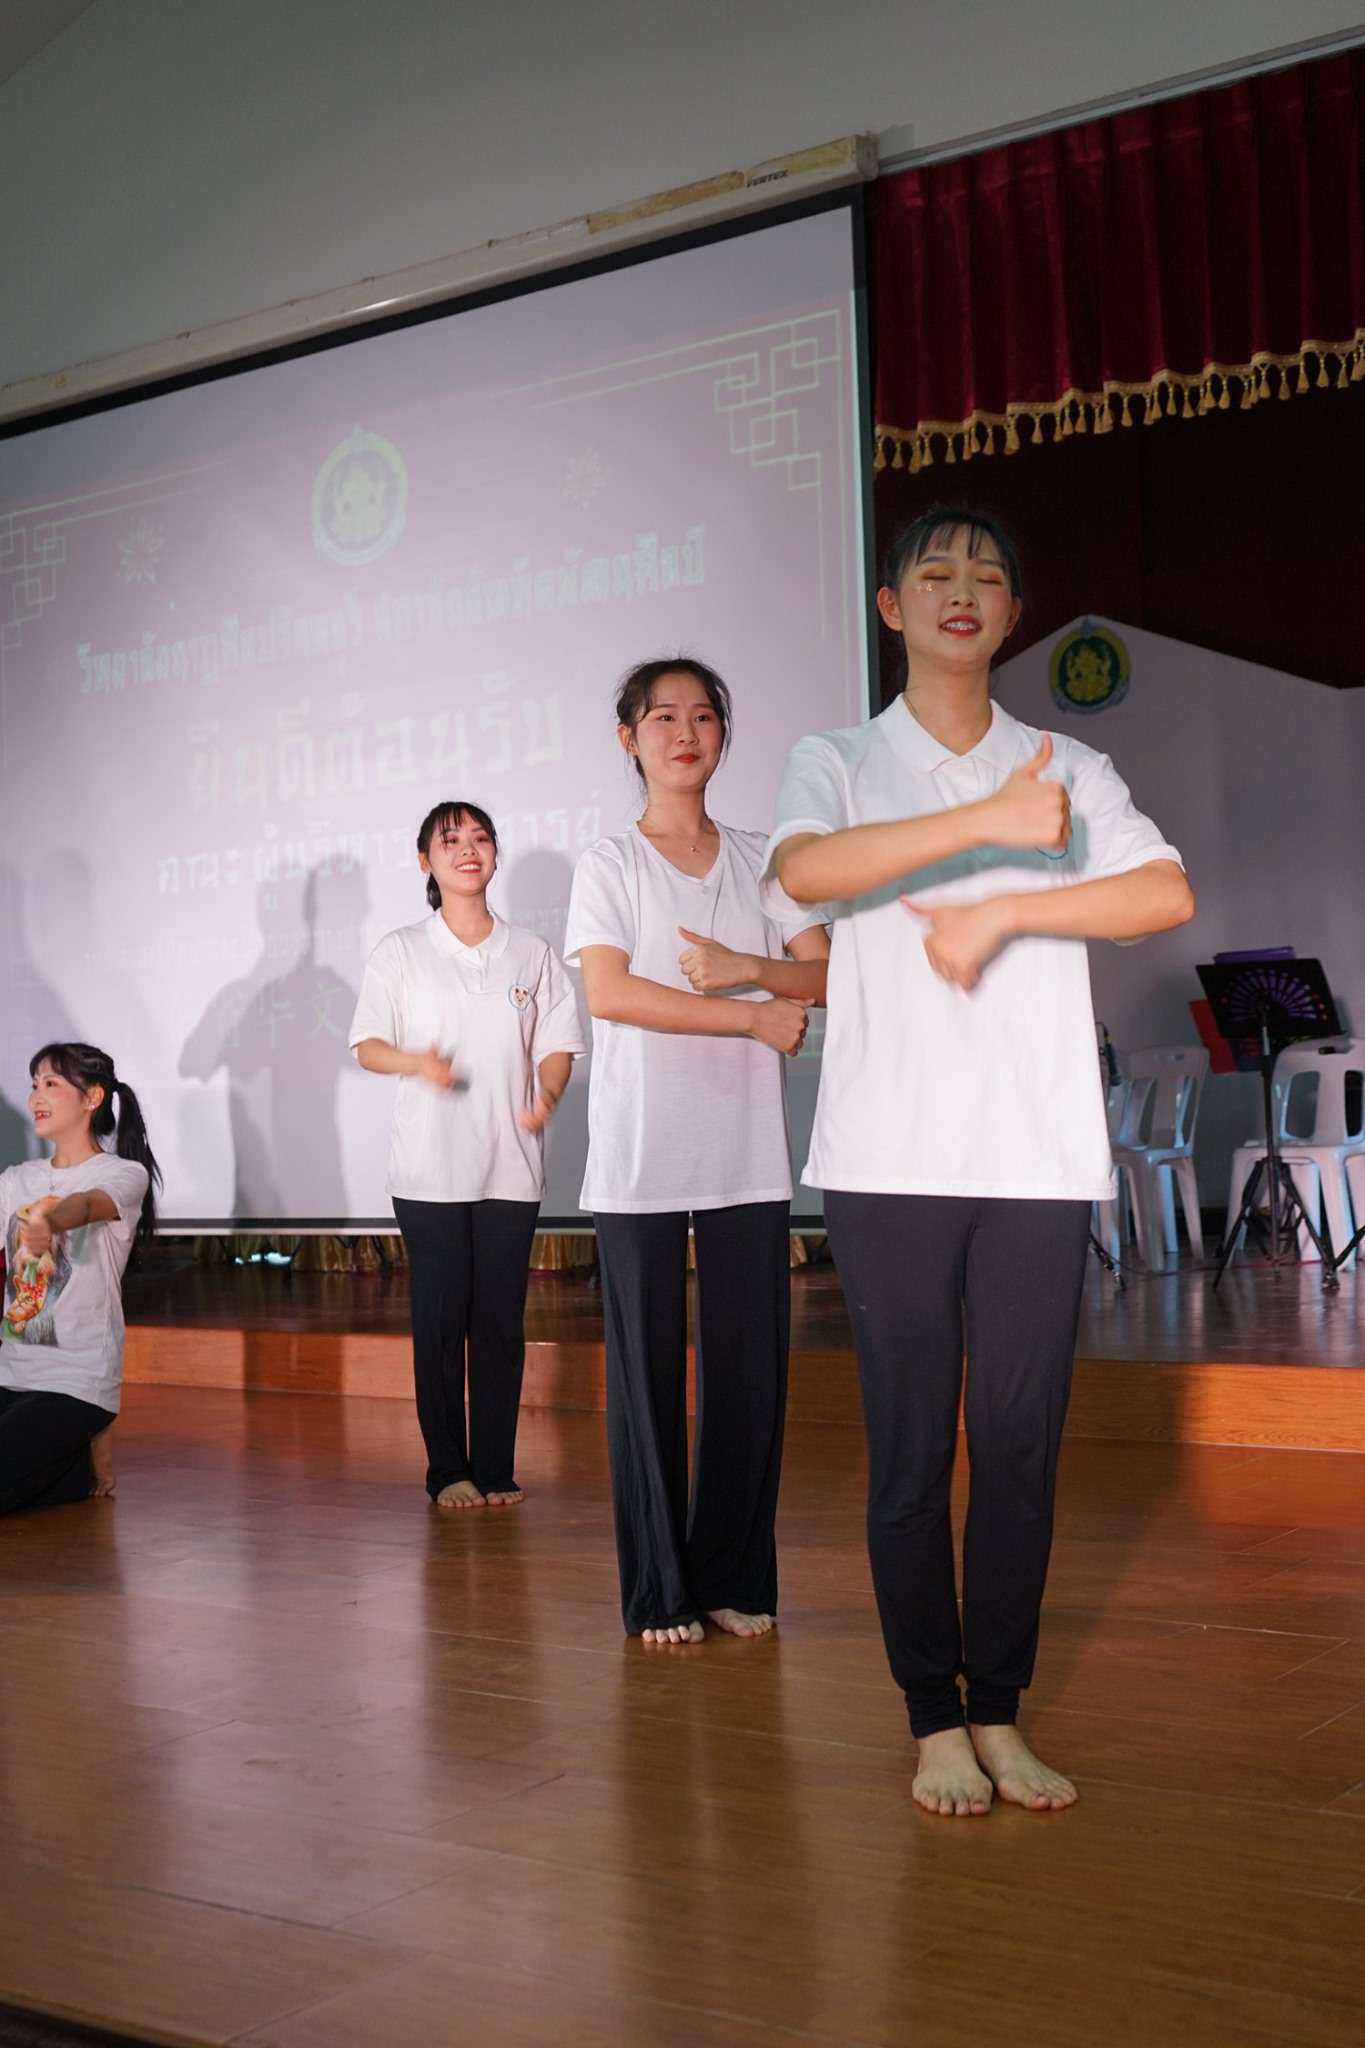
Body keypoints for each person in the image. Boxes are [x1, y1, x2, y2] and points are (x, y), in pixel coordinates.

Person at [765, 509, 1193, 1816]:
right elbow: (805, 876)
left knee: (1017, 1447)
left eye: (989, 576)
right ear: (891, 607)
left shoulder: (1067, 762)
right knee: (909, 1449)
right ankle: (930, 1717)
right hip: (889, 1154)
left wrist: (1010, 900)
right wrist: (984, 829)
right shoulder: (838, 757)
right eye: (936, 573)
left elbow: (1161, 894)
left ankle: (997, 1705)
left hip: (1034, 1151)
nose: (964, 591)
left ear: (1012, 613)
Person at [565, 657, 830, 1645]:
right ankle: (658, 1591)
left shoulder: (762, 860)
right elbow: (610, 994)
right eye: (663, 717)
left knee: (747, 1376)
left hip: (744, 1152)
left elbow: (824, 975)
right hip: (640, 1153)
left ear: (723, 734)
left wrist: (747, 973)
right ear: (628, 738)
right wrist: (750, 1016)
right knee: (645, 1383)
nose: (686, 732)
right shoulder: (609, 863)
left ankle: (733, 1575)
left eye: (705, 716)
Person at [350, 800, 585, 1510]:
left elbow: (556, 1044)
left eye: (481, 837)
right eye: (450, 840)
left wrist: (547, 1094)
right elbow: (367, 1046)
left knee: (500, 1326)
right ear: (425, 859)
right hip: (429, 1169)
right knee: (441, 1323)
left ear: (495, 854)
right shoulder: (400, 950)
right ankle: (446, 1470)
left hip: (511, 1165)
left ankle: (496, 1467)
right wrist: (415, 1063)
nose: (468, 849)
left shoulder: (530, 951)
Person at [0, 1042, 160, 1514]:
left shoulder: (124, 1174)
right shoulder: (15, 1180)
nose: (36, 1096)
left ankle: (73, 1453)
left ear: (92, 1098)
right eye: (34, 1085)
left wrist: (49, 1221)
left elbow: (87, 1204)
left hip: (76, 1385)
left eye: (51, 1084)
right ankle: (71, 1470)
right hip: (11, 1374)